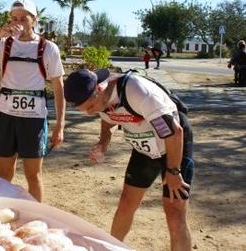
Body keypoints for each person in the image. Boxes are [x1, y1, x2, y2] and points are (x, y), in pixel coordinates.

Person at [64, 68, 194, 251]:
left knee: (175, 213)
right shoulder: (99, 99)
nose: (88, 113)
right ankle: (111, 248)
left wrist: (173, 171)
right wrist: (103, 142)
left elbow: (174, 132)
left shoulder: (138, 92)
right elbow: (107, 117)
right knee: (126, 203)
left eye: (90, 108)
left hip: (173, 146)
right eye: (84, 110)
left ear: (99, 89)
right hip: (145, 148)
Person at [0, 0, 65, 202]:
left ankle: (36, 217)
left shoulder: (48, 48)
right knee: (4, 176)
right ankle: (5, 213)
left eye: (23, 18)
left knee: (33, 175)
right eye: (13, 18)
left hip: (34, 118)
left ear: (34, 20)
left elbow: (58, 87)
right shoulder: (3, 44)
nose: (18, 22)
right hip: (6, 117)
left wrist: (60, 125)